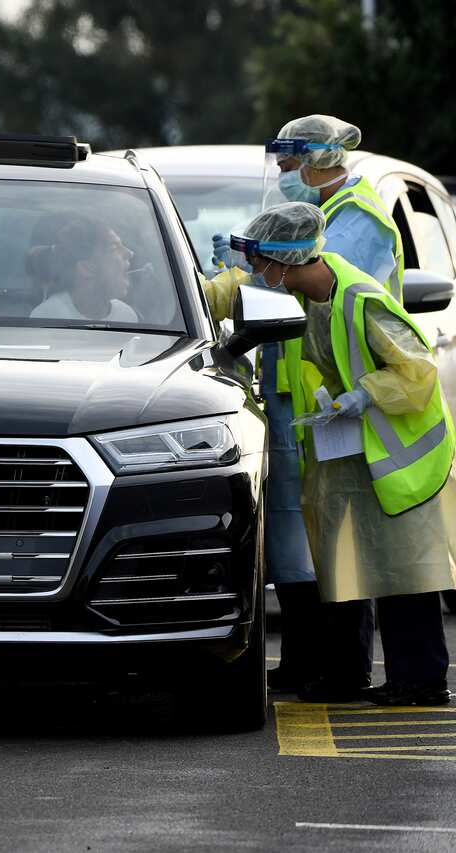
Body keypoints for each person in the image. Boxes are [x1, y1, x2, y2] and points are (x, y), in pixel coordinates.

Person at [205, 116, 405, 700]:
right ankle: (306, 661)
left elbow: (303, 282)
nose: (285, 176)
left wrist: (240, 274)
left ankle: (339, 668)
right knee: (300, 532)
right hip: (300, 398)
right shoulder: (331, 209)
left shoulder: (355, 218)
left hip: (339, 402)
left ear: (320, 157)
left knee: (336, 537)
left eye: (292, 164)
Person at [231, 202, 454, 707]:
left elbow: (416, 371)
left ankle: (421, 681)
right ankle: (345, 674)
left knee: (403, 571)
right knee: (344, 564)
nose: (258, 275)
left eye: (263, 264)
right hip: (347, 449)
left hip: (399, 456)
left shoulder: (358, 298)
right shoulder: (307, 297)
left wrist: (365, 393)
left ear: (286, 259)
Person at [28, 217, 138, 323]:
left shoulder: (127, 316)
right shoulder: (46, 318)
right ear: (86, 267)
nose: (130, 253)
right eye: (114, 248)